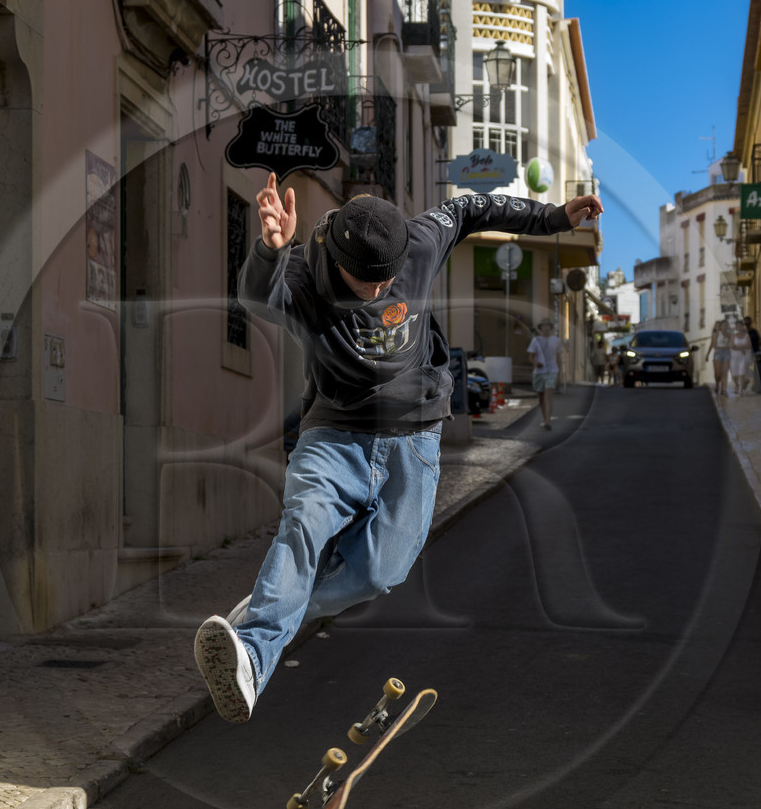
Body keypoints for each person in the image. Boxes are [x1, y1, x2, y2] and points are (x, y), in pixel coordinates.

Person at [192, 173, 603, 722]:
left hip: (414, 434)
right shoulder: (305, 276)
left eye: (387, 279)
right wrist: (270, 250)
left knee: (379, 573)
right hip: (334, 433)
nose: (379, 289)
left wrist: (552, 217)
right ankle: (255, 651)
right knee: (304, 524)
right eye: (365, 282)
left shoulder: (421, 240)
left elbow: (475, 208)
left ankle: (273, 603)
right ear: (338, 261)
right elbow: (255, 297)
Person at [527, 319, 562, 429]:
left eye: (548, 325)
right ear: (540, 327)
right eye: (544, 325)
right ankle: (544, 418)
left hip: (552, 370)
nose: (546, 327)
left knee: (548, 394)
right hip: (539, 372)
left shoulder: (556, 340)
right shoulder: (536, 340)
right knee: (541, 397)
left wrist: (559, 374)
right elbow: (531, 357)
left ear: (550, 327)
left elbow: (559, 358)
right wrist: (536, 363)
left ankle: (548, 422)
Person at [729, 318, 754, 397]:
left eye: (740, 326)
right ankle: (740, 384)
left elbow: (749, 345)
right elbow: (731, 346)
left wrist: (740, 347)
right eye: (738, 326)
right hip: (735, 357)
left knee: (741, 372)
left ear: (743, 327)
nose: (739, 327)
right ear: (736, 327)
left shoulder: (747, 336)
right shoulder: (733, 336)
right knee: (735, 375)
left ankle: (740, 391)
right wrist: (741, 348)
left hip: (744, 356)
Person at [710, 317, 732, 395]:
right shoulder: (717, 334)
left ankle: (723, 389)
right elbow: (714, 345)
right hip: (718, 353)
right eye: (724, 325)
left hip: (727, 353)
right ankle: (717, 385)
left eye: (726, 325)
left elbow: (732, 344)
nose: (725, 327)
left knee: (725, 372)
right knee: (718, 374)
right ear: (721, 326)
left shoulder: (729, 335)